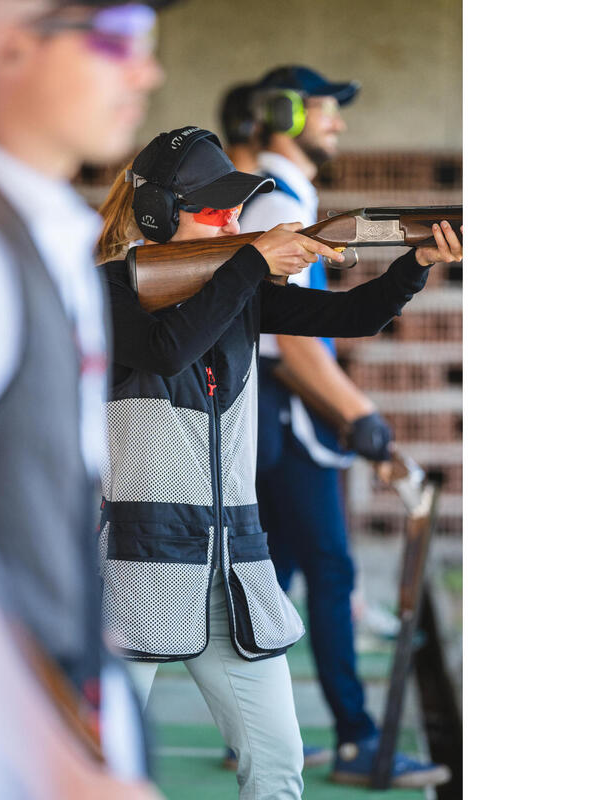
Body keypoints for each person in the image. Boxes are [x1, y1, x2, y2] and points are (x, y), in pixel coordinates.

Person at [94, 124, 460, 799]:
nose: (233, 220)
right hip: (134, 576)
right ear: (158, 214)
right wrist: (252, 264)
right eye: (213, 209)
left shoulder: (240, 292)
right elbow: (167, 348)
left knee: (278, 765)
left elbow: (356, 316)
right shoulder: (110, 291)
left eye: (237, 208)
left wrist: (414, 263)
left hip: (233, 574)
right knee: (95, 768)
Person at [0, 2, 171, 797]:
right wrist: (63, 769)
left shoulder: (43, 228)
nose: (146, 71)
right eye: (114, 39)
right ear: (8, 47)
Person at [236, 64, 452, 788]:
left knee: (281, 572)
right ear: (287, 115)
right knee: (328, 570)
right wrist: (365, 424)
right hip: (286, 412)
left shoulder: (286, 196)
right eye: (328, 110)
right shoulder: (276, 206)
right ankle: (359, 739)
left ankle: (251, 736)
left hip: (283, 411)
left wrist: (412, 262)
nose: (340, 124)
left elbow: (326, 326)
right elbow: (294, 346)